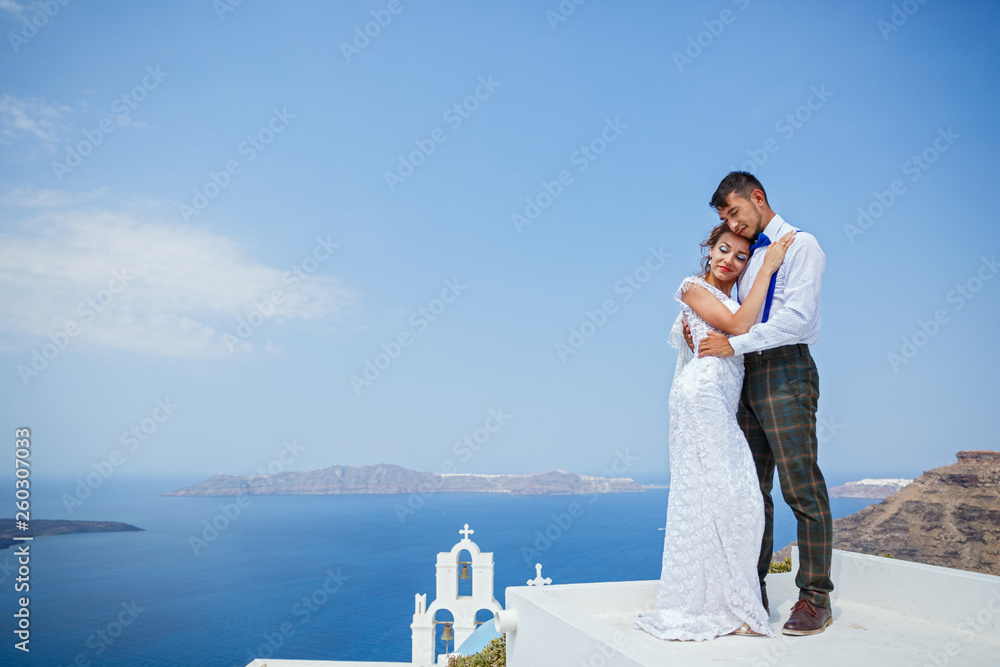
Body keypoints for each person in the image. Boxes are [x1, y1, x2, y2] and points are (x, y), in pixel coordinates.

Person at [633, 222, 796, 641]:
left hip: (714, 398)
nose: (730, 261)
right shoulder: (692, 286)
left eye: (742, 257)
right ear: (710, 248)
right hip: (702, 394)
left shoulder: (729, 296)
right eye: (724, 250)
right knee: (734, 493)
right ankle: (728, 605)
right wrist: (768, 267)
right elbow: (741, 327)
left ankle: (717, 601)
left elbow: (725, 324)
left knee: (717, 496)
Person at [698, 171, 832, 636]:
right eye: (724, 218)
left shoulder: (803, 246)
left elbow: (797, 320)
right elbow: (736, 316)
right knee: (751, 495)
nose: (733, 224)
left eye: (735, 212)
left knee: (801, 488)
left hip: (785, 371)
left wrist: (736, 345)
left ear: (758, 198)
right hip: (746, 376)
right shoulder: (750, 255)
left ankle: (815, 600)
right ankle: (750, 593)